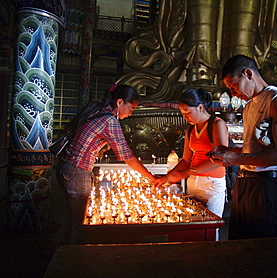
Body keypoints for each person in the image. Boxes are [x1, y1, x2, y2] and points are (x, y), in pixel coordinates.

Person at [55, 84, 157, 245]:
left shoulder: (96, 110)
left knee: (70, 219)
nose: (131, 114)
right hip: (77, 171)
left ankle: (60, 254)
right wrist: (151, 178)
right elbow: (128, 156)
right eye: (130, 108)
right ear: (119, 102)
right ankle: (71, 260)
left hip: (65, 167)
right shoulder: (109, 120)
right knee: (79, 223)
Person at [209, 55, 277, 239]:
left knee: (263, 246)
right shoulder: (249, 106)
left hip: (265, 185)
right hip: (245, 183)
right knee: (240, 242)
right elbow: (255, 150)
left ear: (248, 74)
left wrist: (236, 158)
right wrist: (230, 152)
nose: (233, 93)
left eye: (233, 86)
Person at [155, 88, 229, 224]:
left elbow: (220, 159)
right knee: (193, 222)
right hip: (193, 182)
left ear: (200, 107)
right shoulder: (190, 130)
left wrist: (187, 172)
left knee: (210, 224)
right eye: (182, 113)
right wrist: (168, 177)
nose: (185, 117)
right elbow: (185, 160)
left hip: (211, 183)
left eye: (188, 112)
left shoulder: (217, 124)